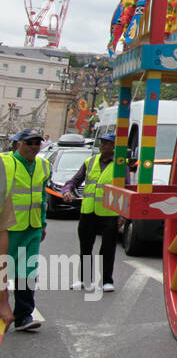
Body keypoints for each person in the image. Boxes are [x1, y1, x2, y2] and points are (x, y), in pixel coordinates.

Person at [2, 128, 52, 333]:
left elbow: (42, 197)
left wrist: (42, 224)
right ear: (17, 144)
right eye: (28, 143)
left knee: (27, 273)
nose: (33, 147)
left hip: (32, 227)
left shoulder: (43, 164)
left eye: (37, 143)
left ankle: (24, 316)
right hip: (8, 228)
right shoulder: (5, 163)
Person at [62, 128, 119, 292]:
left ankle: (107, 280)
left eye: (107, 143)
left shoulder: (120, 165)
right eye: (102, 142)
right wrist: (67, 191)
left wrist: (123, 215)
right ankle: (84, 279)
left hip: (110, 212)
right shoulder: (90, 162)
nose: (103, 145)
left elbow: (125, 189)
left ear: (114, 146)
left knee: (107, 249)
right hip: (88, 211)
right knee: (85, 247)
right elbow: (74, 181)